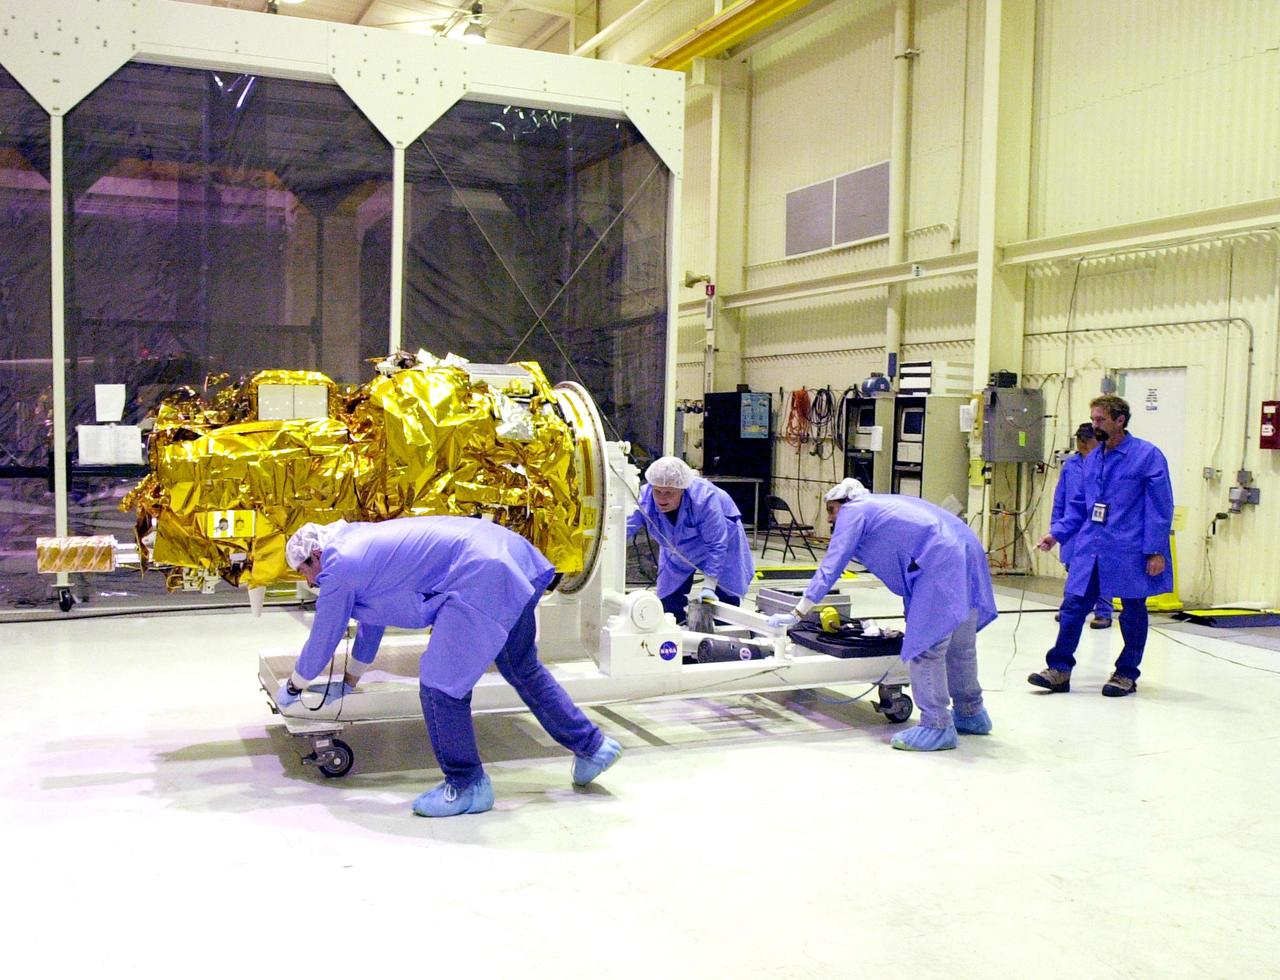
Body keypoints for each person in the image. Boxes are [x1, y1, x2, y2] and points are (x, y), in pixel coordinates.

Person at [279, 516, 622, 817]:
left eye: (304, 571)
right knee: (520, 666)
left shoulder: (339, 565)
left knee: (440, 683)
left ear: (316, 554)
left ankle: (466, 784)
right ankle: (593, 747)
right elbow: (374, 620)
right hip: (510, 556)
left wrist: (294, 686)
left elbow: (326, 633)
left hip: (478, 575)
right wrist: (350, 680)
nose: (309, 583)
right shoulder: (358, 545)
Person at [767, 478, 998, 751]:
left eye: (831, 510)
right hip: (966, 546)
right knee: (960, 646)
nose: (830, 520)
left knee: (926, 646)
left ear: (845, 502)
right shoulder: (885, 505)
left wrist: (798, 610)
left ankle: (936, 725)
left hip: (938, 557)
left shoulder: (855, 510)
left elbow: (833, 564)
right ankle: (971, 712)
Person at [1031, 394, 1174, 697]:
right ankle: (1059, 669)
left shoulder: (1148, 456)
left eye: (1100, 420)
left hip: (1130, 548)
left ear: (1119, 420)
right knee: (1073, 607)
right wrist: (1057, 534)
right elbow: (1081, 505)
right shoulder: (1093, 458)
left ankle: (1126, 673)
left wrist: (1156, 550)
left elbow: (1160, 508)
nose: (1094, 425)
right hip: (1091, 548)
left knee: (1133, 610)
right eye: (1093, 419)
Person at [626, 456, 754, 625]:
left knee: (725, 602)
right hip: (677, 548)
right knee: (668, 600)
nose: (662, 499)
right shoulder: (645, 497)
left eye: (669, 493)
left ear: (682, 490)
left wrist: (709, 586)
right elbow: (621, 529)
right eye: (658, 491)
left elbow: (717, 544)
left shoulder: (704, 499)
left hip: (723, 545)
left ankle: (723, 641)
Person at [1052, 422, 1115, 629]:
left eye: (1087, 441)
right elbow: (1061, 498)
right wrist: (1056, 526)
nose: (1082, 445)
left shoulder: (1107, 465)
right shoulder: (1071, 466)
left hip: (1098, 528)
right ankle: (1070, 608)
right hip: (1072, 527)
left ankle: (1103, 611)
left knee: (1101, 570)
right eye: (1080, 441)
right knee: (1073, 568)